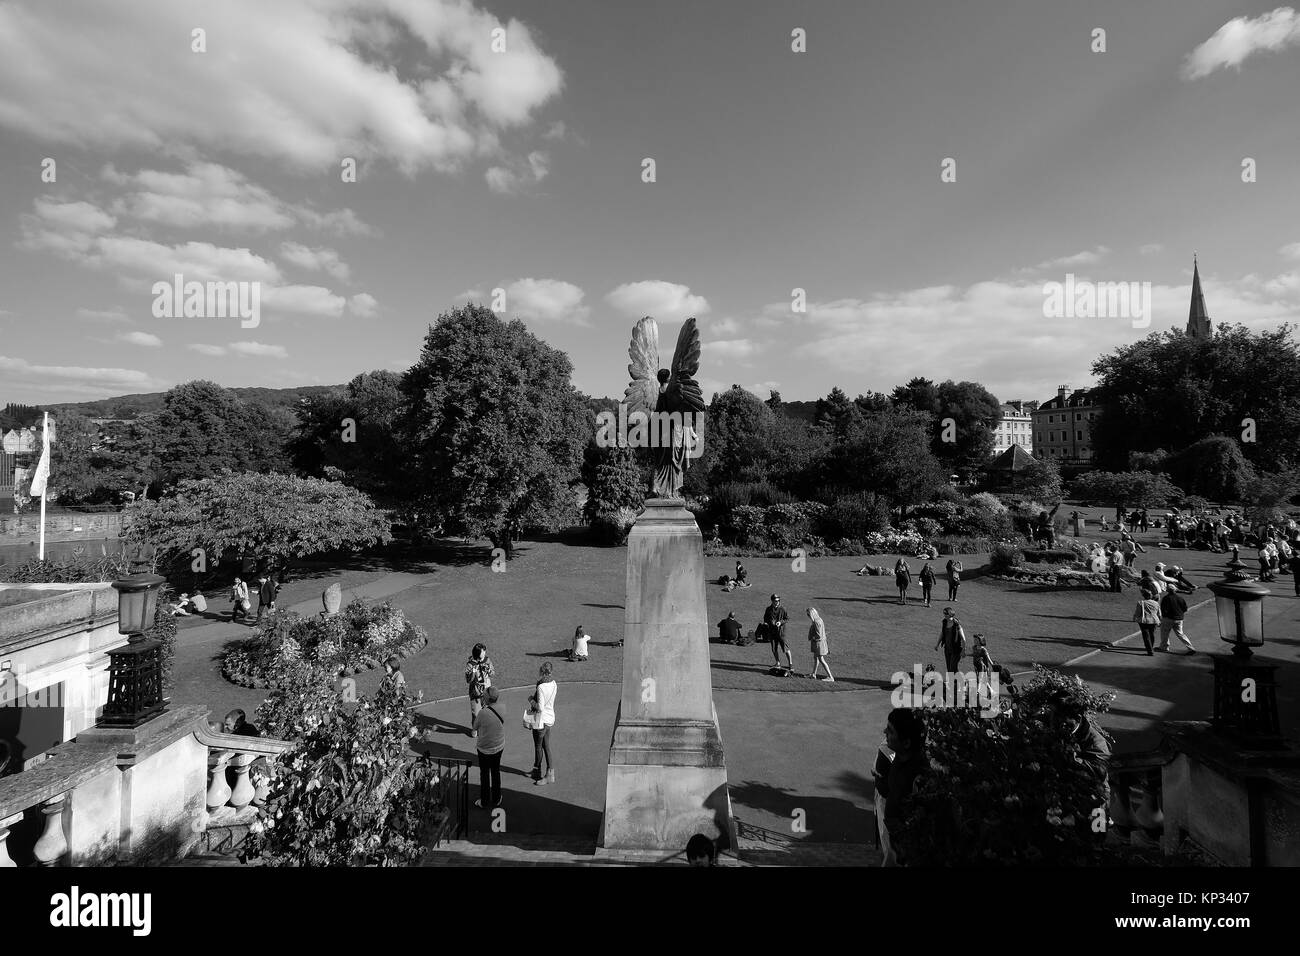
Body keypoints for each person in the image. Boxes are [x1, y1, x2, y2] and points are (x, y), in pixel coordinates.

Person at [873, 708, 928, 867]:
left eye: (890, 731)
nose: (885, 732)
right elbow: (892, 790)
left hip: (907, 850)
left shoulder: (918, 775)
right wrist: (879, 780)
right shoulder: (899, 758)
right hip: (894, 841)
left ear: (906, 742)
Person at [473, 686, 506, 809]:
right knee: (496, 772)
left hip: (485, 748)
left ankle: (485, 800)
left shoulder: (483, 712)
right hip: (499, 745)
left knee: (485, 774)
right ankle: (497, 798)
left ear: (487, 698)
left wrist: (482, 708)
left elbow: (474, 727)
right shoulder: (502, 707)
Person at [531, 662, 557, 785]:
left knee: (538, 746)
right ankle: (549, 773)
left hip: (541, 720)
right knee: (546, 746)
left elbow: (540, 707)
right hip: (550, 718)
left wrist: (531, 700)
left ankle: (538, 772)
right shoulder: (554, 683)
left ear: (542, 672)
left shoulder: (541, 687)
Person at [464, 643, 495, 738]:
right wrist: (473, 671)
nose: (485, 653)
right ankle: (475, 728)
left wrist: (489, 670)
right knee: (476, 714)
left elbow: (493, 673)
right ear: (478, 653)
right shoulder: (470, 664)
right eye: (483, 651)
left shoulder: (487, 660)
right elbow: (468, 680)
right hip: (475, 693)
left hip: (486, 692)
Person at [1158, 587, 1195, 653]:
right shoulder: (1180, 598)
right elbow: (1185, 609)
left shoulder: (1166, 598)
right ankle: (1191, 648)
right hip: (1179, 619)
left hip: (1168, 619)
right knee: (1180, 634)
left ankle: (1164, 647)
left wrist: (1162, 619)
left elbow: (1163, 610)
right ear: (1175, 590)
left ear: (1167, 590)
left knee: (1164, 633)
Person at [763, 594, 792, 671]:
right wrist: (769, 622)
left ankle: (790, 664)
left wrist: (780, 622)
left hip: (781, 632)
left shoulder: (783, 609)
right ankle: (778, 663)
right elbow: (765, 618)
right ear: (772, 601)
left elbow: (787, 618)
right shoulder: (768, 609)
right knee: (774, 648)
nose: (778, 602)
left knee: (785, 648)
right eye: (776, 601)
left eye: (779, 600)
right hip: (772, 632)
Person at [806, 608, 834, 681]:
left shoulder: (816, 622)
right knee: (816, 658)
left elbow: (819, 636)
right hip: (819, 643)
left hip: (819, 644)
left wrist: (812, 638)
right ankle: (813, 674)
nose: (807, 616)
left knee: (821, 659)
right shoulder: (819, 619)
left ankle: (830, 677)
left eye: (808, 614)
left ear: (812, 614)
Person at [936, 607, 965, 673]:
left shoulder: (957, 624)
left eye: (946, 613)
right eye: (944, 613)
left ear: (950, 614)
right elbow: (942, 633)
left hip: (956, 650)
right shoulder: (944, 622)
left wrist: (963, 650)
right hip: (947, 649)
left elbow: (963, 639)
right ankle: (953, 682)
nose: (944, 615)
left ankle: (962, 681)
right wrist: (937, 644)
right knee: (949, 668)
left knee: (953, 668)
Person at [1132, 586, 1160, 656]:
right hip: (1154, 620)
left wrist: (1134, 618)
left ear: (1143, 596)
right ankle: (1151, 647)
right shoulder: (1156, 603)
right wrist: (1160, 620)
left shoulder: (1141, 602)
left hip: (1144, 621)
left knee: (1146, 635)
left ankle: (1150, 650)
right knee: (1152, 634)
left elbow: (1138, 612)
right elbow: (1159, 613)